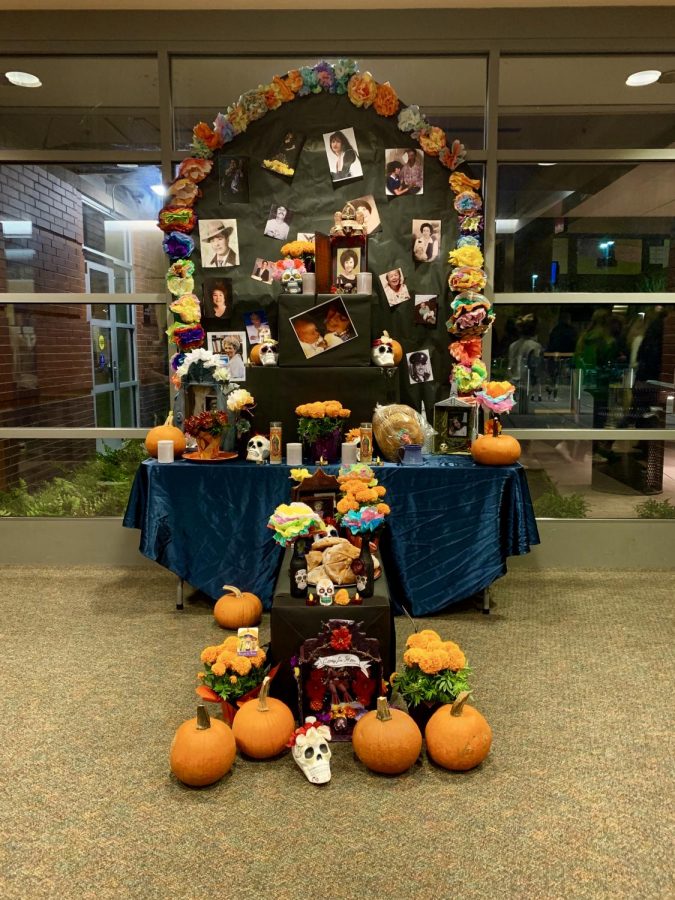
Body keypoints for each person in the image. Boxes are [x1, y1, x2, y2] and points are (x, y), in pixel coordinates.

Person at [508, 314, 544, 408]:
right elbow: (535, 367)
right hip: (526, 385)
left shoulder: (513, 345)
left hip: (512, 384)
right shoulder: (535, 346)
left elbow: (511, 365)